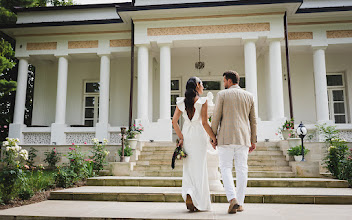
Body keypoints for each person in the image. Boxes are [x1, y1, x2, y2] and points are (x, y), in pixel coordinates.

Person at [211, 70, 257, 214]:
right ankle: (240, 202)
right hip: (243, 138)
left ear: (229, 81)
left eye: (224, 81)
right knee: (242, 169)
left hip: (226, 137)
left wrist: (212, 137)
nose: (224, 83)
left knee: (225, 168)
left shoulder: (222, 95)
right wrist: (253, 140)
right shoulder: (249, 96)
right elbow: (253, 121)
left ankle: (232, 199)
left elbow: (216, 117)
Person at [172, 77, 216, 212]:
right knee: (200, 169)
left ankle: (189, 193)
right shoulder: (202, 101)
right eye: (202, 84)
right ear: (197, 85)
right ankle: (198, 200)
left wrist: (181, 138)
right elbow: (204, 122)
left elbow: (174, 121)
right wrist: (213, 137)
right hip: (199, 136)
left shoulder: (181, 102)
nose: (203, 87)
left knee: (188, 169)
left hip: (187, 136)